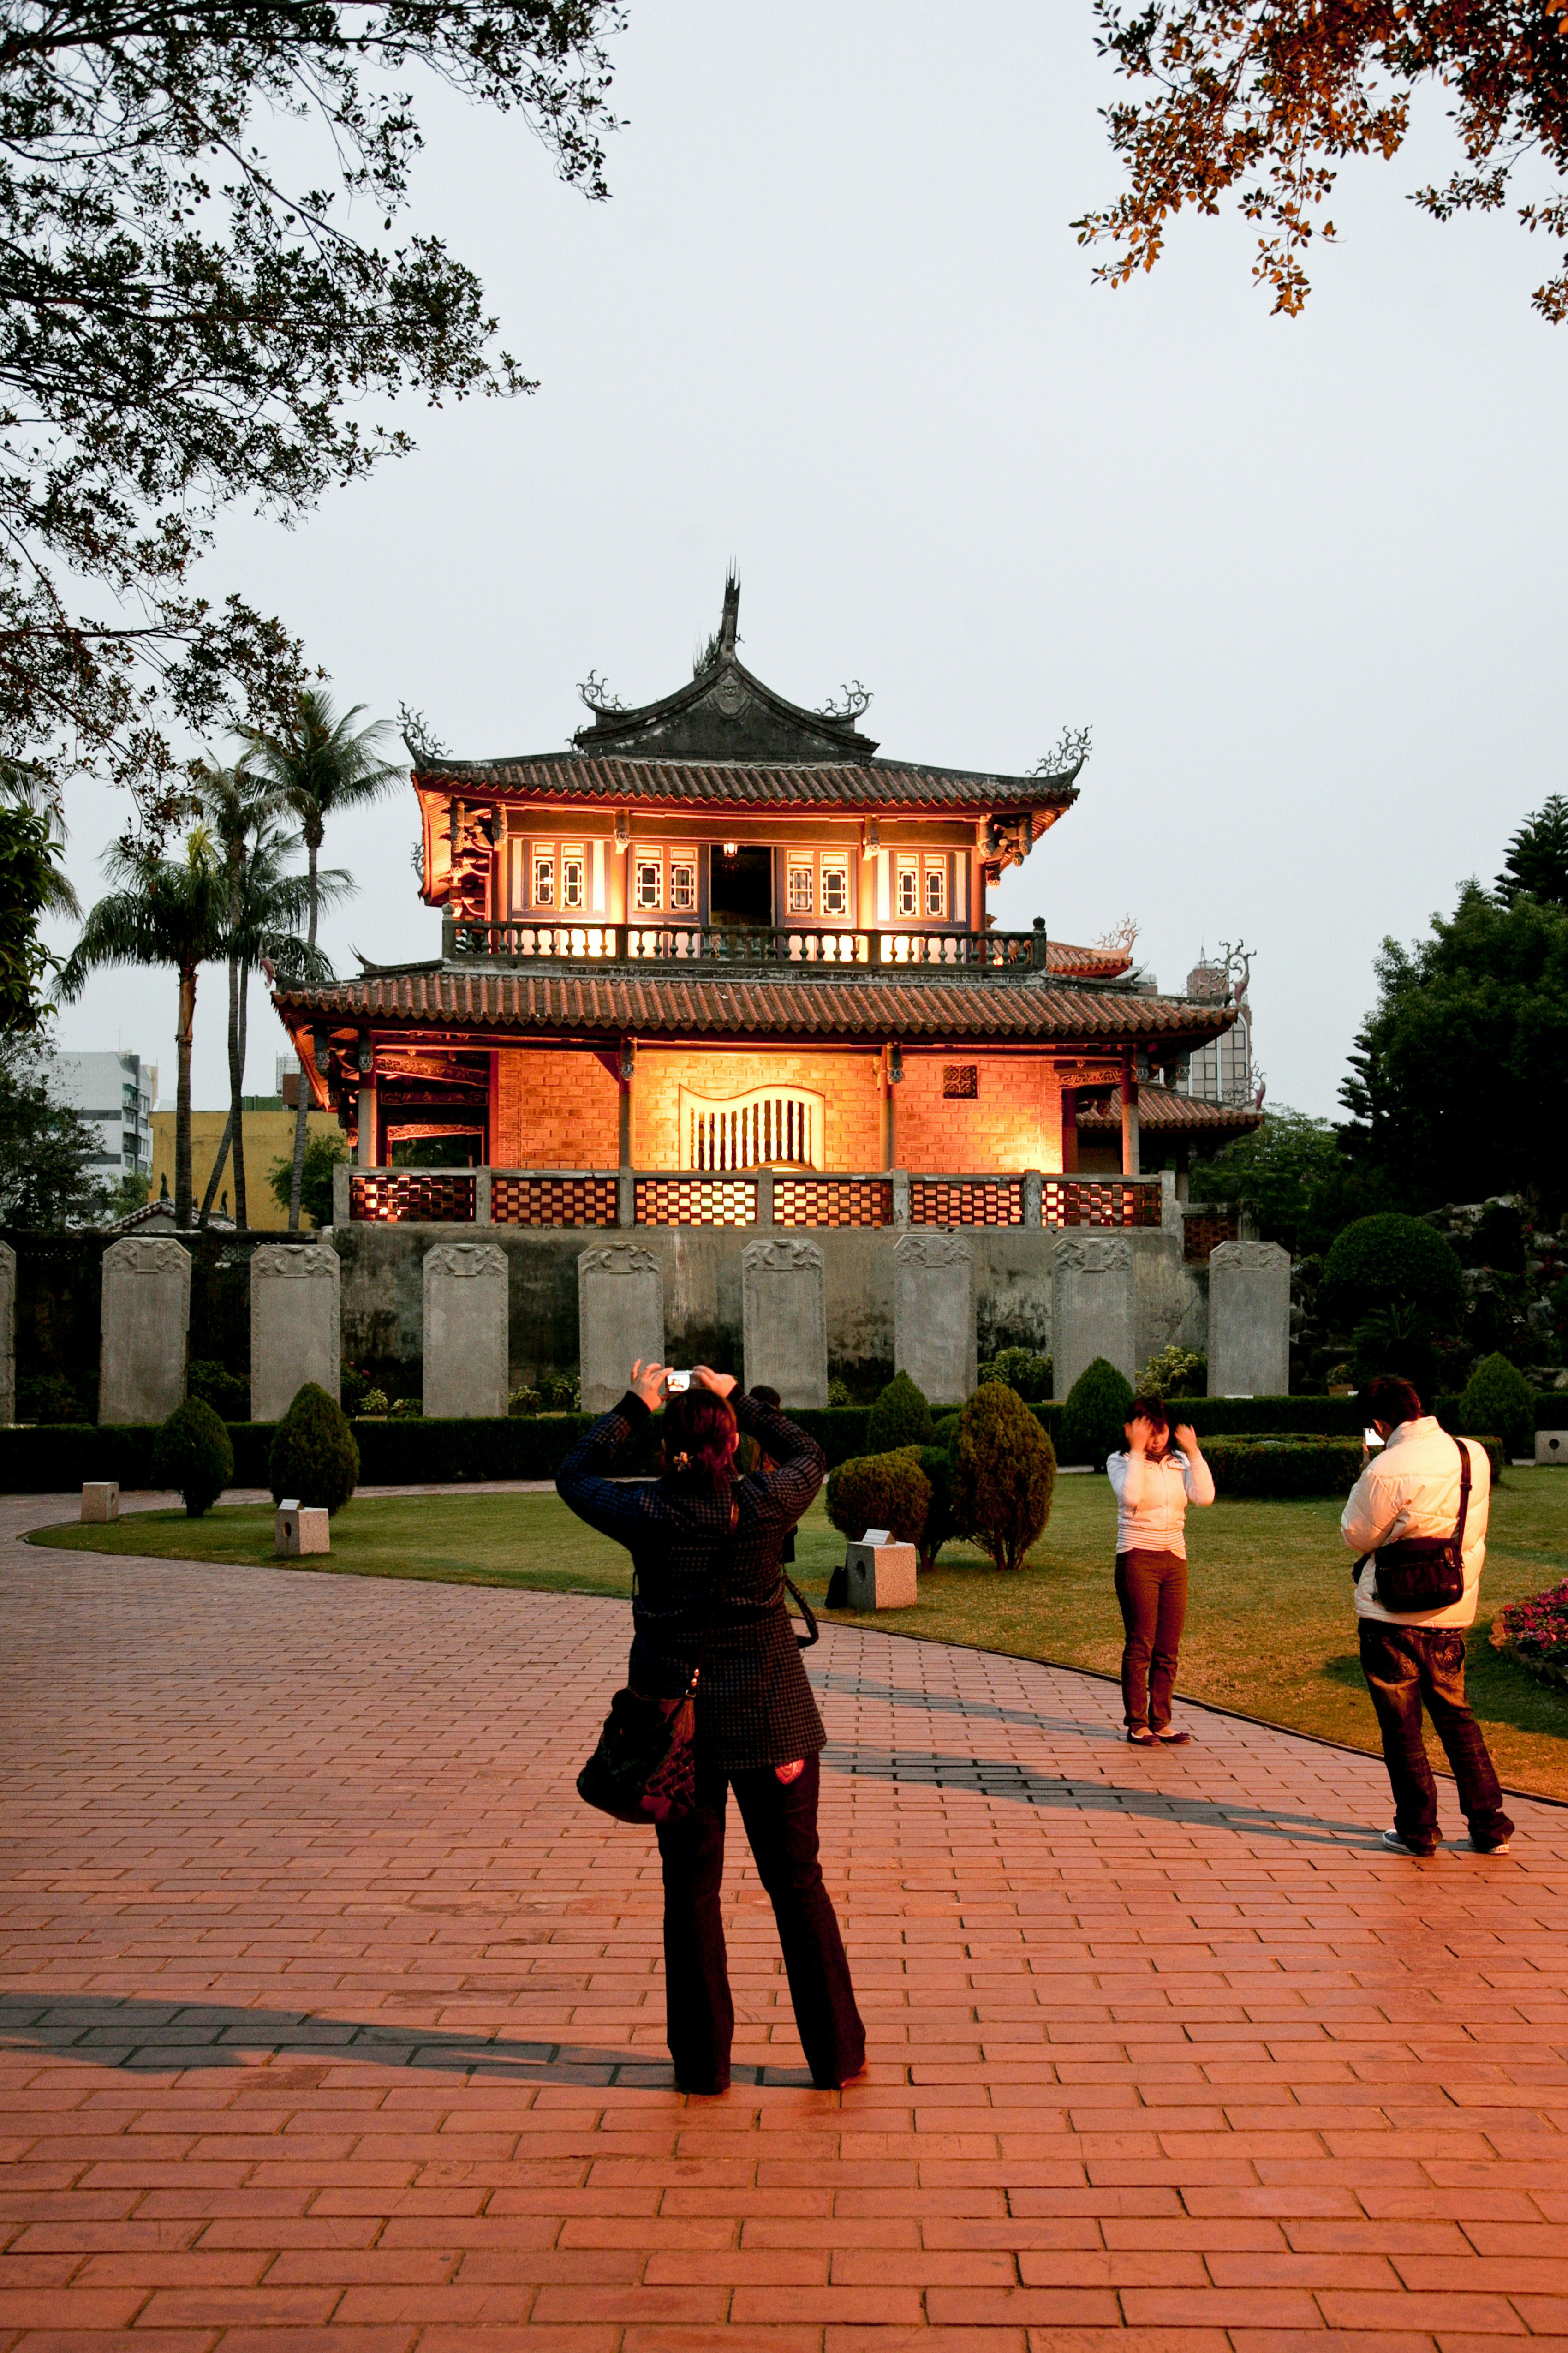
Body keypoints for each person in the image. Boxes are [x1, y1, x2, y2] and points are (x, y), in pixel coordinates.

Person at [556, 1360, 866, 2095]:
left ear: (668, 1452)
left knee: (690, 1891)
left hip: (677, 1727)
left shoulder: (648, 1513)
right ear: (731, 1446)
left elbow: (574, 1474)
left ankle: (703, 2066)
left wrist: (634, 1403)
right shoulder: (762, 1503)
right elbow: (811, 1456)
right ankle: (835, 2057)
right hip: (770, 1719)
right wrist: (740, 1401)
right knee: (796, 1885)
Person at [1342, 1374, 1514, 1857]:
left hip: (1391, 1613)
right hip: (1451, 1607)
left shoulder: (1385, 1468)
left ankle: (1418, 1829)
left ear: (1380, 1421)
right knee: (1458, 1719)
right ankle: (1490, 1825)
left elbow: (1357, 1535)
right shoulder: (1472, 1455)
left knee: (1402, 1727)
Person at [1106, 1396, 1215, 1746]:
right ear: (1132, 1431)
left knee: (1168, 1647)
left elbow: (1205, 1497)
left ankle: (1161, 1720)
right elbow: (1131, 1497)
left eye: (1161, 1432)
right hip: (1137, 1557)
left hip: (1174, 1557)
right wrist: (1137, 1451)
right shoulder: (1120, 1461)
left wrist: (1194, 1452)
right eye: (1148, 1433)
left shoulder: (1178, 1461)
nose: (1157, 1440)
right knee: (1142, 1643)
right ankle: (1138, 1723)